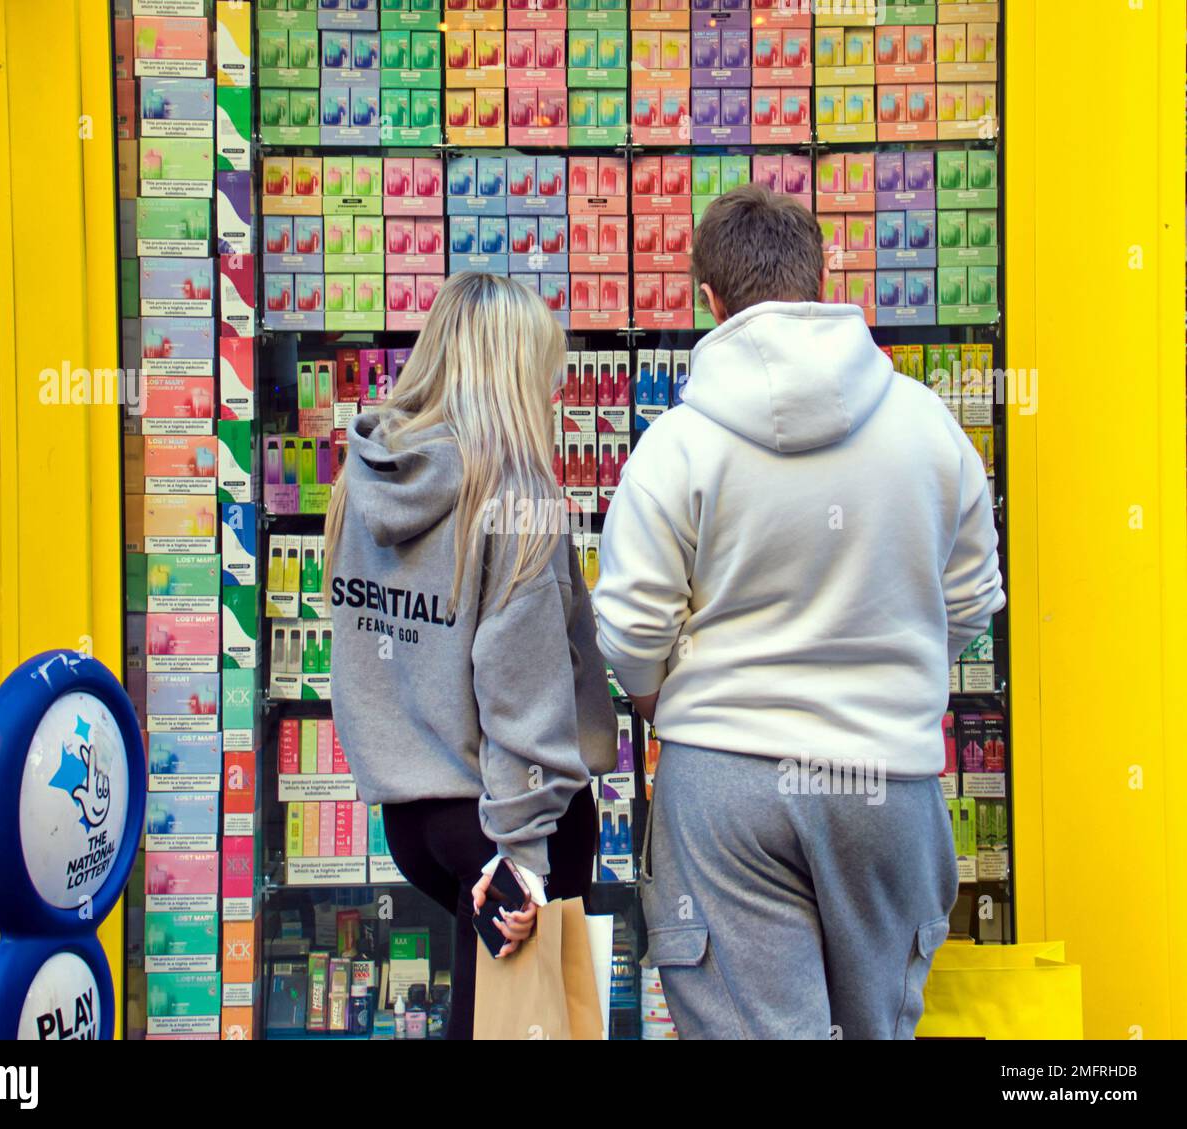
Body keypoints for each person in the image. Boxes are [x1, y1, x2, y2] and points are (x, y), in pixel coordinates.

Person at [592, 184, 1005, 1040]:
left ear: (709, 299)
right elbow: (972, 600)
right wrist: (897, 673)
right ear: (827, 275)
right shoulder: (932, 432)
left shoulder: (676, 445)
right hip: (885, 781)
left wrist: (662, 698)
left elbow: (630, 627)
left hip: (726, 784)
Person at [327, 271, 617, 1040]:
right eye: (547, 374)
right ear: (516, 374)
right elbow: (524, 681)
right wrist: (522, 854)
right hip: (503, 821)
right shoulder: (514, 491)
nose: (554, 394)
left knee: (486, 1018)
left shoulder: (365, 478)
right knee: (520, 1025)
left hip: (412, 815)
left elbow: (363, 653)